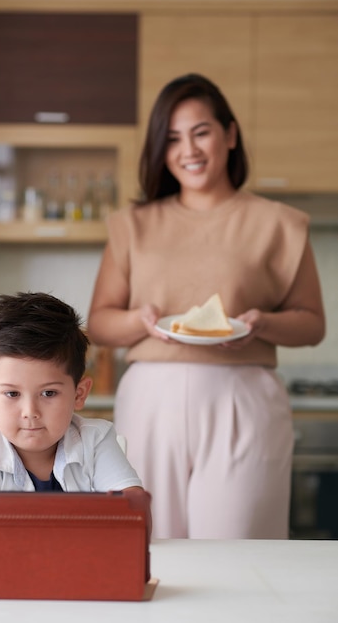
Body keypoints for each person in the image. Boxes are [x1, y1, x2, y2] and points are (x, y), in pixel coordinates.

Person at [87, 73, 326, 540]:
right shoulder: (134, 225)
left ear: (230, 134)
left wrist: (264, 323)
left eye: (201, 132)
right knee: (148, 544)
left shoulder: (279, 223)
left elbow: (312, 323)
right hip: (150, 400)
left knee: (238, 547)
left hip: (244, 400)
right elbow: (99, 323)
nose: (188, 150)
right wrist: (141, 320)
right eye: (172, 138)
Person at [0, 291, 144, 576]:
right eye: (12, 393)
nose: (30, 411)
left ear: (79, 394)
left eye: (49, 393)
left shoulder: (96, 440)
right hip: (1, 585)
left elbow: (136, 509)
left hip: (80, 580)